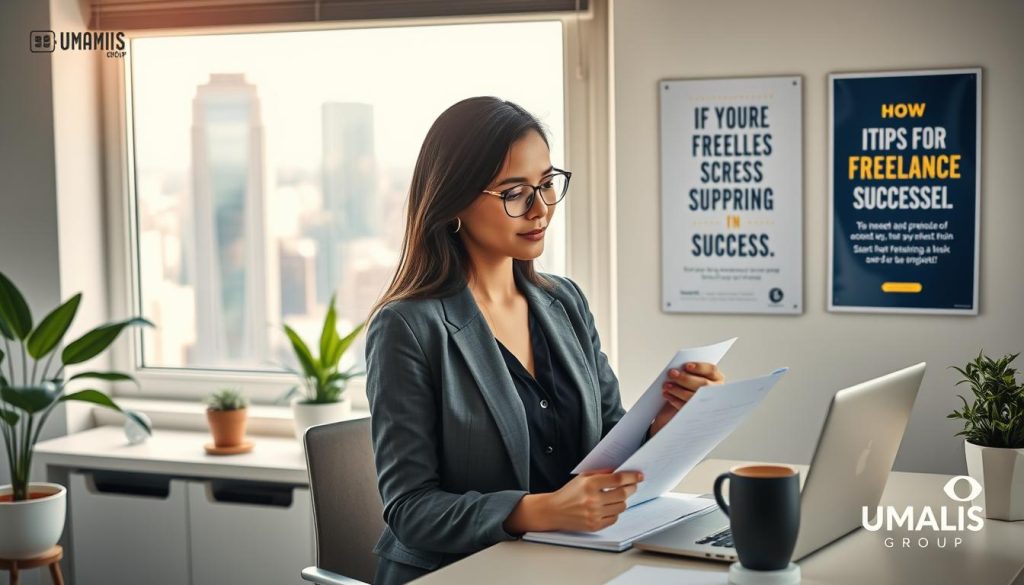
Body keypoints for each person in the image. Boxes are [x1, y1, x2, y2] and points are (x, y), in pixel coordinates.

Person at [365, 96, 725, 584]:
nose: (540, 209)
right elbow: (410, 509)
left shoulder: (565, 302)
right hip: (464, 573)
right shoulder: (406, 327)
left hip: (569, 564)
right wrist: (537, 511)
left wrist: (666, 422)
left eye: (547, 184)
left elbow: (607, 446)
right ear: (454, 202)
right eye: (514, 193)